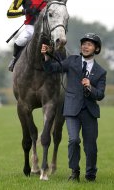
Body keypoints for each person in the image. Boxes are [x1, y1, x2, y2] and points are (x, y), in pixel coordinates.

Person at [41, 33, 107, 182]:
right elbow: (51, 68)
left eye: (89, 44)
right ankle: (74, 172)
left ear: (96, 49)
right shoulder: (71, 61)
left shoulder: (101, 71)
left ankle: (90, 174)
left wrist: (90, 87)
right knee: (74, 140)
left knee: (90, 146)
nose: (85, 46)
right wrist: (46, 56)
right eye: (84, 43)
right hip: (71, 110)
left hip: (90, 112)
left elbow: (100, 95)